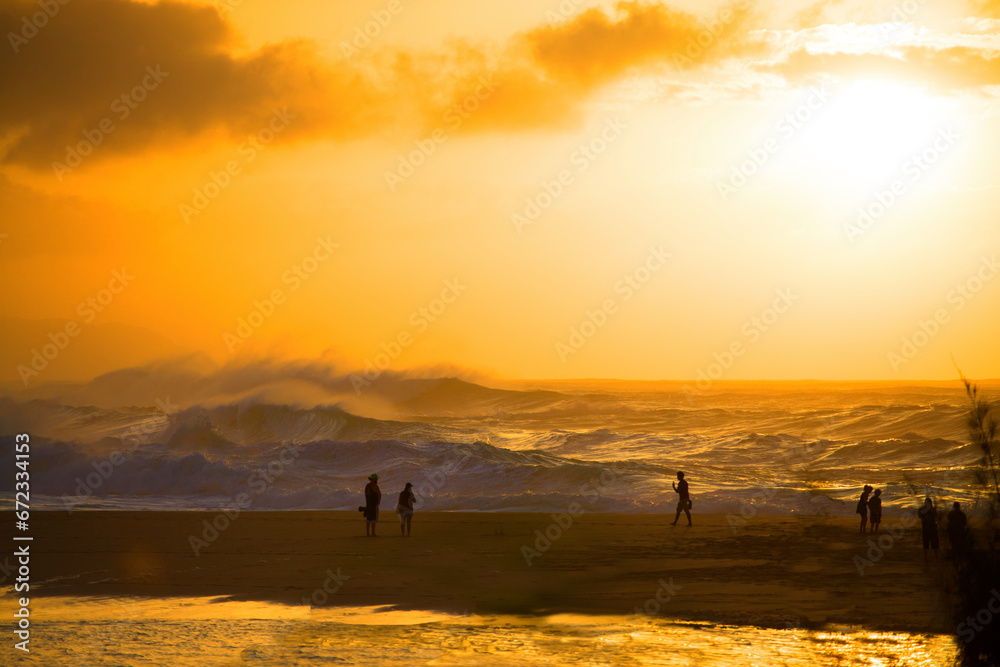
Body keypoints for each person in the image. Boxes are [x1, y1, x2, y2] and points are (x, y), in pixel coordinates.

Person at [918, 496, 939, 562]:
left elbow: (920, 515)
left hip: (926, 529)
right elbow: (936, 517)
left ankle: (926, 558)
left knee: (926, 545)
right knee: (934, 545)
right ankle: (936, 558)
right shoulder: (932, 510)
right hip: (932, 529)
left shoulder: (923, 510)